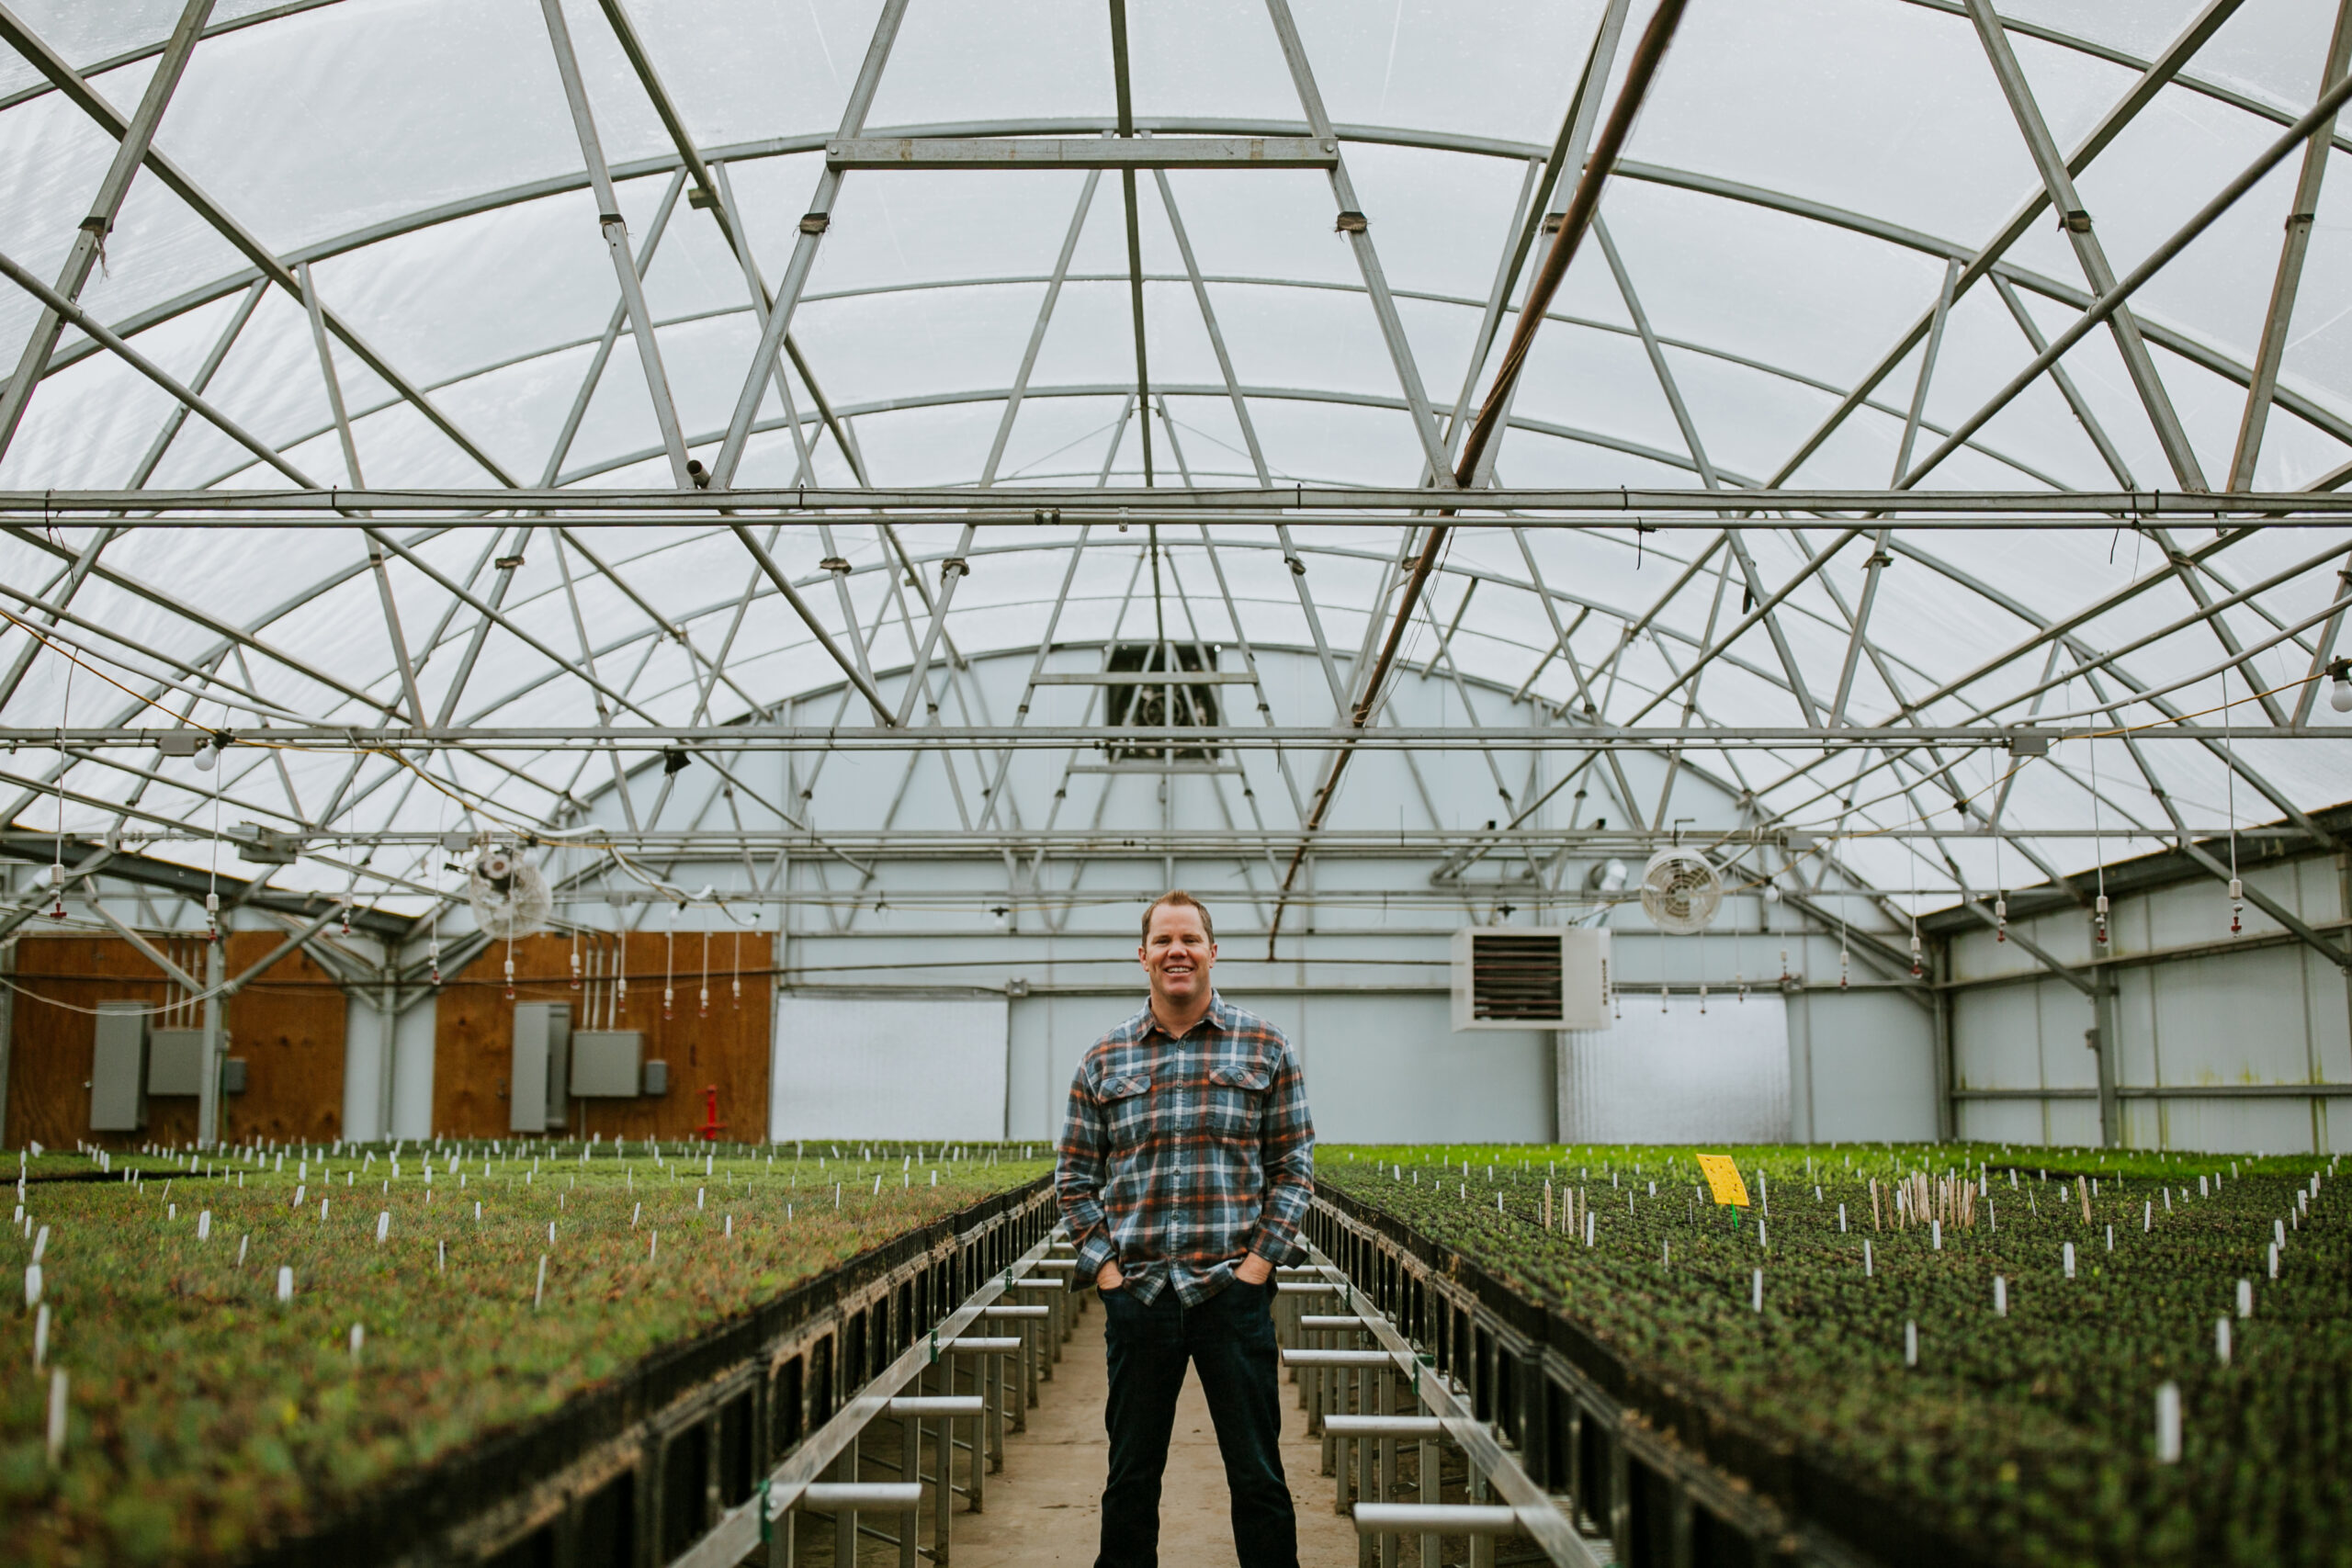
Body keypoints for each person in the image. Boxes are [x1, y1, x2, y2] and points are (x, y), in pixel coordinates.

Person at [1057, 891, 1315, 1568]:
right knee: (1130, 1479)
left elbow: (1294, 1167)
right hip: (1139, 1296)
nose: (1178, 951)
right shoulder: (1105, 1058)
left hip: (1231, 1295)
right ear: (1141, 955)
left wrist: (1257, 1267)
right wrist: (1107, 1272)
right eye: (1164, 940)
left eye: (1191, 939)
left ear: (1212, 952)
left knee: (1258, 1476)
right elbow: (1075, 1178)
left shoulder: (1265, 1046)